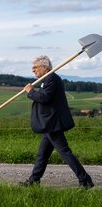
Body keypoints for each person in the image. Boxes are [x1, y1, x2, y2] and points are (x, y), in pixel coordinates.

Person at [19, 55, 94, 188]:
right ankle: (34, 181)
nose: (33, 71)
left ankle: (85, 181)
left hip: (52, 124)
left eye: (35, 68)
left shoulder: (52, 79)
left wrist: (30, 92)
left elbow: (44, 98)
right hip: (49, 124)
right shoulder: (47, 79)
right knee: (42, 155)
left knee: (65, 152)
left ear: (44, 67)